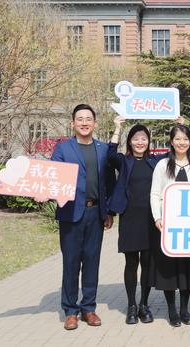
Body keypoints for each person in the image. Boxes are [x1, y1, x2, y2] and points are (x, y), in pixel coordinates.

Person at [51, 104, 114, 331]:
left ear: (95, 123)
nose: (84, 123)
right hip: (71, 213)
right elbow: (52, 178)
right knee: (71, 263)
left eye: (88, 119)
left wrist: (109, 211)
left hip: (96, 213)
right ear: (73, 123)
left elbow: (110, 181)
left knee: (91, 262)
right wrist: (44, 192)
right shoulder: (63, 149)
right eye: (80, 119)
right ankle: (70, 311)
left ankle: (88, 308)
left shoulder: (103, 149)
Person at [107, 117, 168, 325]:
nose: (140, 142)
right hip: (130, 218)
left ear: (149, 141)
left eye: (144, 138)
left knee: (148, 263)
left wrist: (180, 125)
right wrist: (118, 127)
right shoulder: (124, 161)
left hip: (151, 219)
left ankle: (144, 304)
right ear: (130, 141)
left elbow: (177, 150)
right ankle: (131, 305)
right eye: (136, 138)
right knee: (131, 263)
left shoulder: (156, 162)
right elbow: (110, 154)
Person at [149, 124, 190, 327]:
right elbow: (155, 193)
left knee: (187, 268)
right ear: (171, 142)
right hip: (167, 225)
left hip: (189, 227)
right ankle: (171, 310)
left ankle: (184, 309)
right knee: (169, 268)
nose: (181, 142)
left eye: (185, 139)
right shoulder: (162, 165)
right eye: (178, 139)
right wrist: (157, 217)